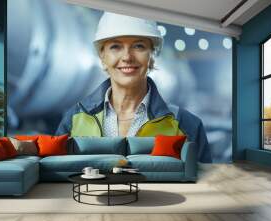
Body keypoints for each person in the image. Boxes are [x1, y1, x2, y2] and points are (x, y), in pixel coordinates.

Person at [56, 12, 211, 162]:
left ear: (152, 57)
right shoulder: (73, 121)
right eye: (116, 47)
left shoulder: (187, 126)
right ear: (102, 58)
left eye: (138, 46)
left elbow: (204, 186)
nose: (127, 57)